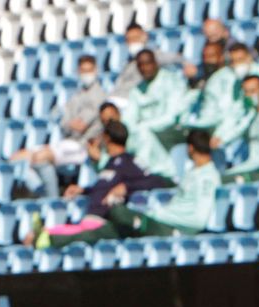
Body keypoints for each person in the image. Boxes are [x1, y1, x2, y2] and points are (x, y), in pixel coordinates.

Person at [39, 129, 221, 248]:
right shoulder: (193, 173)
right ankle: (49, 239)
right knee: (106, 231)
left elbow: (198, 219)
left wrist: (128, 187)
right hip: (159, 220)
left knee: (117, 212)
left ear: (190, 148)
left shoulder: (208, 177)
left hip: (170, 227)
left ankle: (48, 236)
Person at [13, 53, 108, 196]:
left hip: (83, 145)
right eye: (83, 71)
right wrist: (68, 122)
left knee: (41, 157)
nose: (86, 74)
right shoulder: (77, 95)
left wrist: (66, 121)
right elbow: (64, 120)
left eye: (89, 70)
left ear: (96, 70)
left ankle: (52, 199)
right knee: (17, 158)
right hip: (67, 142)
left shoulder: (99, 96)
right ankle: (41, 192)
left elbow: (79, 125)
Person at [56, 120, 172, 217]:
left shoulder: (129, 161)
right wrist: (83, 190)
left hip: (107, 220)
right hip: (89, 215)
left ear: (106, 138)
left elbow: (156, 181)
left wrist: (126, 187)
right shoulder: (109, 164)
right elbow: (103, 188)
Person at [122, 50, 191, 177]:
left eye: (147, 64)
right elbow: (128, 120)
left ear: (155, 63)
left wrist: (143, 126)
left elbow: (171, 117)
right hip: (146, 134)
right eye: (140, 65)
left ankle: (142, 171)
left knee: (143, 131)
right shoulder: (136, 90)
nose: (144, 68)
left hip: (173, 131)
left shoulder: (172, 81)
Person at [116, 23, 184, 95]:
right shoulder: (128, 63)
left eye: (135, 38)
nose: (133, 42)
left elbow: (177, 58)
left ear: (144, 37)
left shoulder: (155, 56)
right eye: (129, 40)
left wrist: (185, 63)